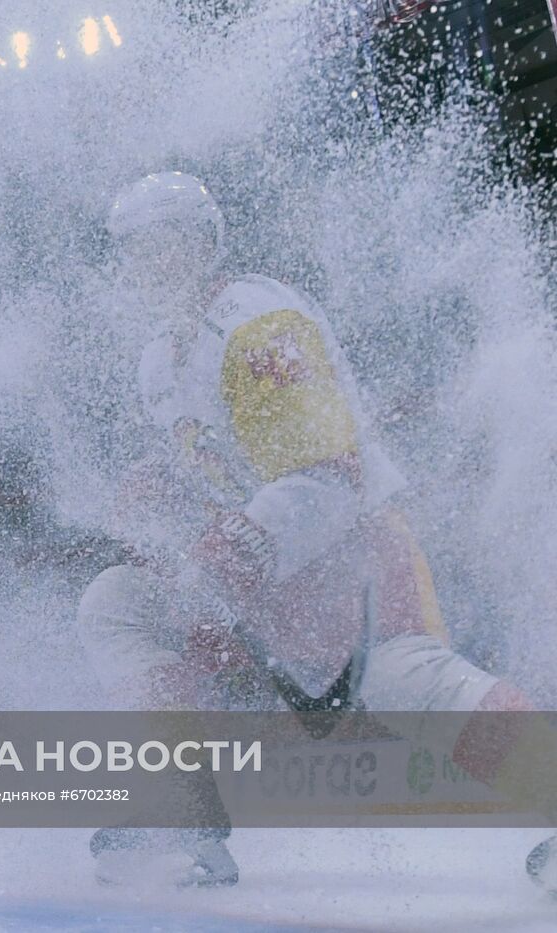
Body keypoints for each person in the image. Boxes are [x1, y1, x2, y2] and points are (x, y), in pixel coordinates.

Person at [80, 172, 557, 891]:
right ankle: (184, 812)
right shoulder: (158, 360)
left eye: (165, 244)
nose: (149, 264)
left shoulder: (256, 324)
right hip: (261, 579)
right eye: (136, 250)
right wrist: (159, 496)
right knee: (118, 600)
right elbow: (219, 469)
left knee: (402, 679)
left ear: (204, 245)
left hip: (347, 561)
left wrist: (234, 552)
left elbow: (331, 474)